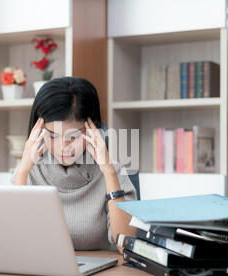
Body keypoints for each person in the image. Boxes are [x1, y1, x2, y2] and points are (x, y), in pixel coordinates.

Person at [10, 76, 138, 253]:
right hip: (42, 273)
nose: (64, 147)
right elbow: (14, 242)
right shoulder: (27, 172)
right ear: (38, 130)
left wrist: (108, 171)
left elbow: (127, 244)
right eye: (53, 136)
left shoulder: (113, 171)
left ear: (93, 129)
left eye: (74, 137)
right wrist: (23, 171)